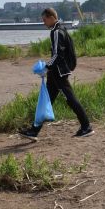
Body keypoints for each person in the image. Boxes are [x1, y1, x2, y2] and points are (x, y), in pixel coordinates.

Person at [19, 8, 93, 140]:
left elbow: (58, 55)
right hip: (56, 72)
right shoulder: (60, 29)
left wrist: (46, 67)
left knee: (70, 100)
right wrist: (49, 67)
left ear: (52, 17)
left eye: (44, 19)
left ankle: (86, 127)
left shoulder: (56, 32)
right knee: (47, 100)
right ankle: (34, 131)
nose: (43, 22)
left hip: (59, 72)